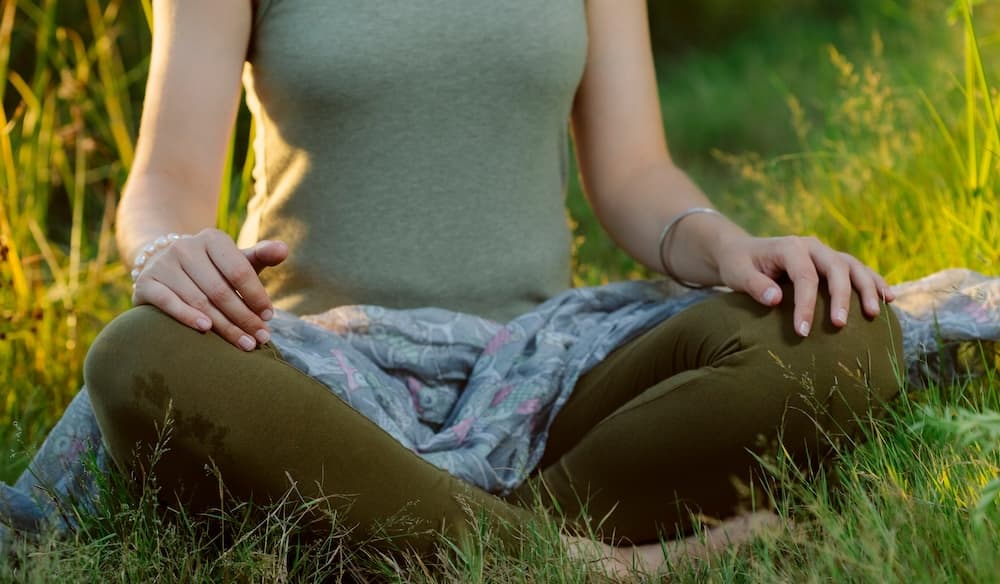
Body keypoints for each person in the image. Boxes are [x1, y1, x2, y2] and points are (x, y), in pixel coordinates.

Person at [2, 0, 997, 577]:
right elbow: (165, 185)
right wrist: (168, 249)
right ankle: (590, 561)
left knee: (838, 338)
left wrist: (732, 248)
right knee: (139, 358)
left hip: (535, 372)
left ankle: (399, 537)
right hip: (307, 379)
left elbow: (636, 176)